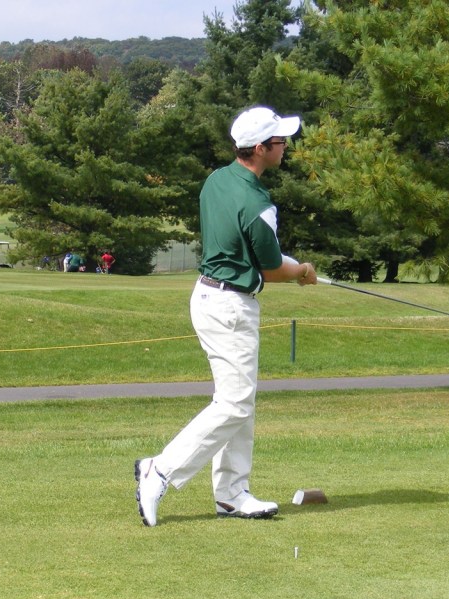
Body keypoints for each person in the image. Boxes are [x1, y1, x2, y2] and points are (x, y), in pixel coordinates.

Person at [134, 106, 317, 527]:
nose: (285, 146)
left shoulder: (216, 180)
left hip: (208, 295)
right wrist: (302, 272)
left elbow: (248, 249)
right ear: (259, 149)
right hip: (230, 306)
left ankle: (233, 493)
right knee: (234, 403)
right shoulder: (257, 201)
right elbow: (271, 268)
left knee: (240, 401)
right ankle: (160, 470)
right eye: (279, 141)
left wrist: (290, 264)